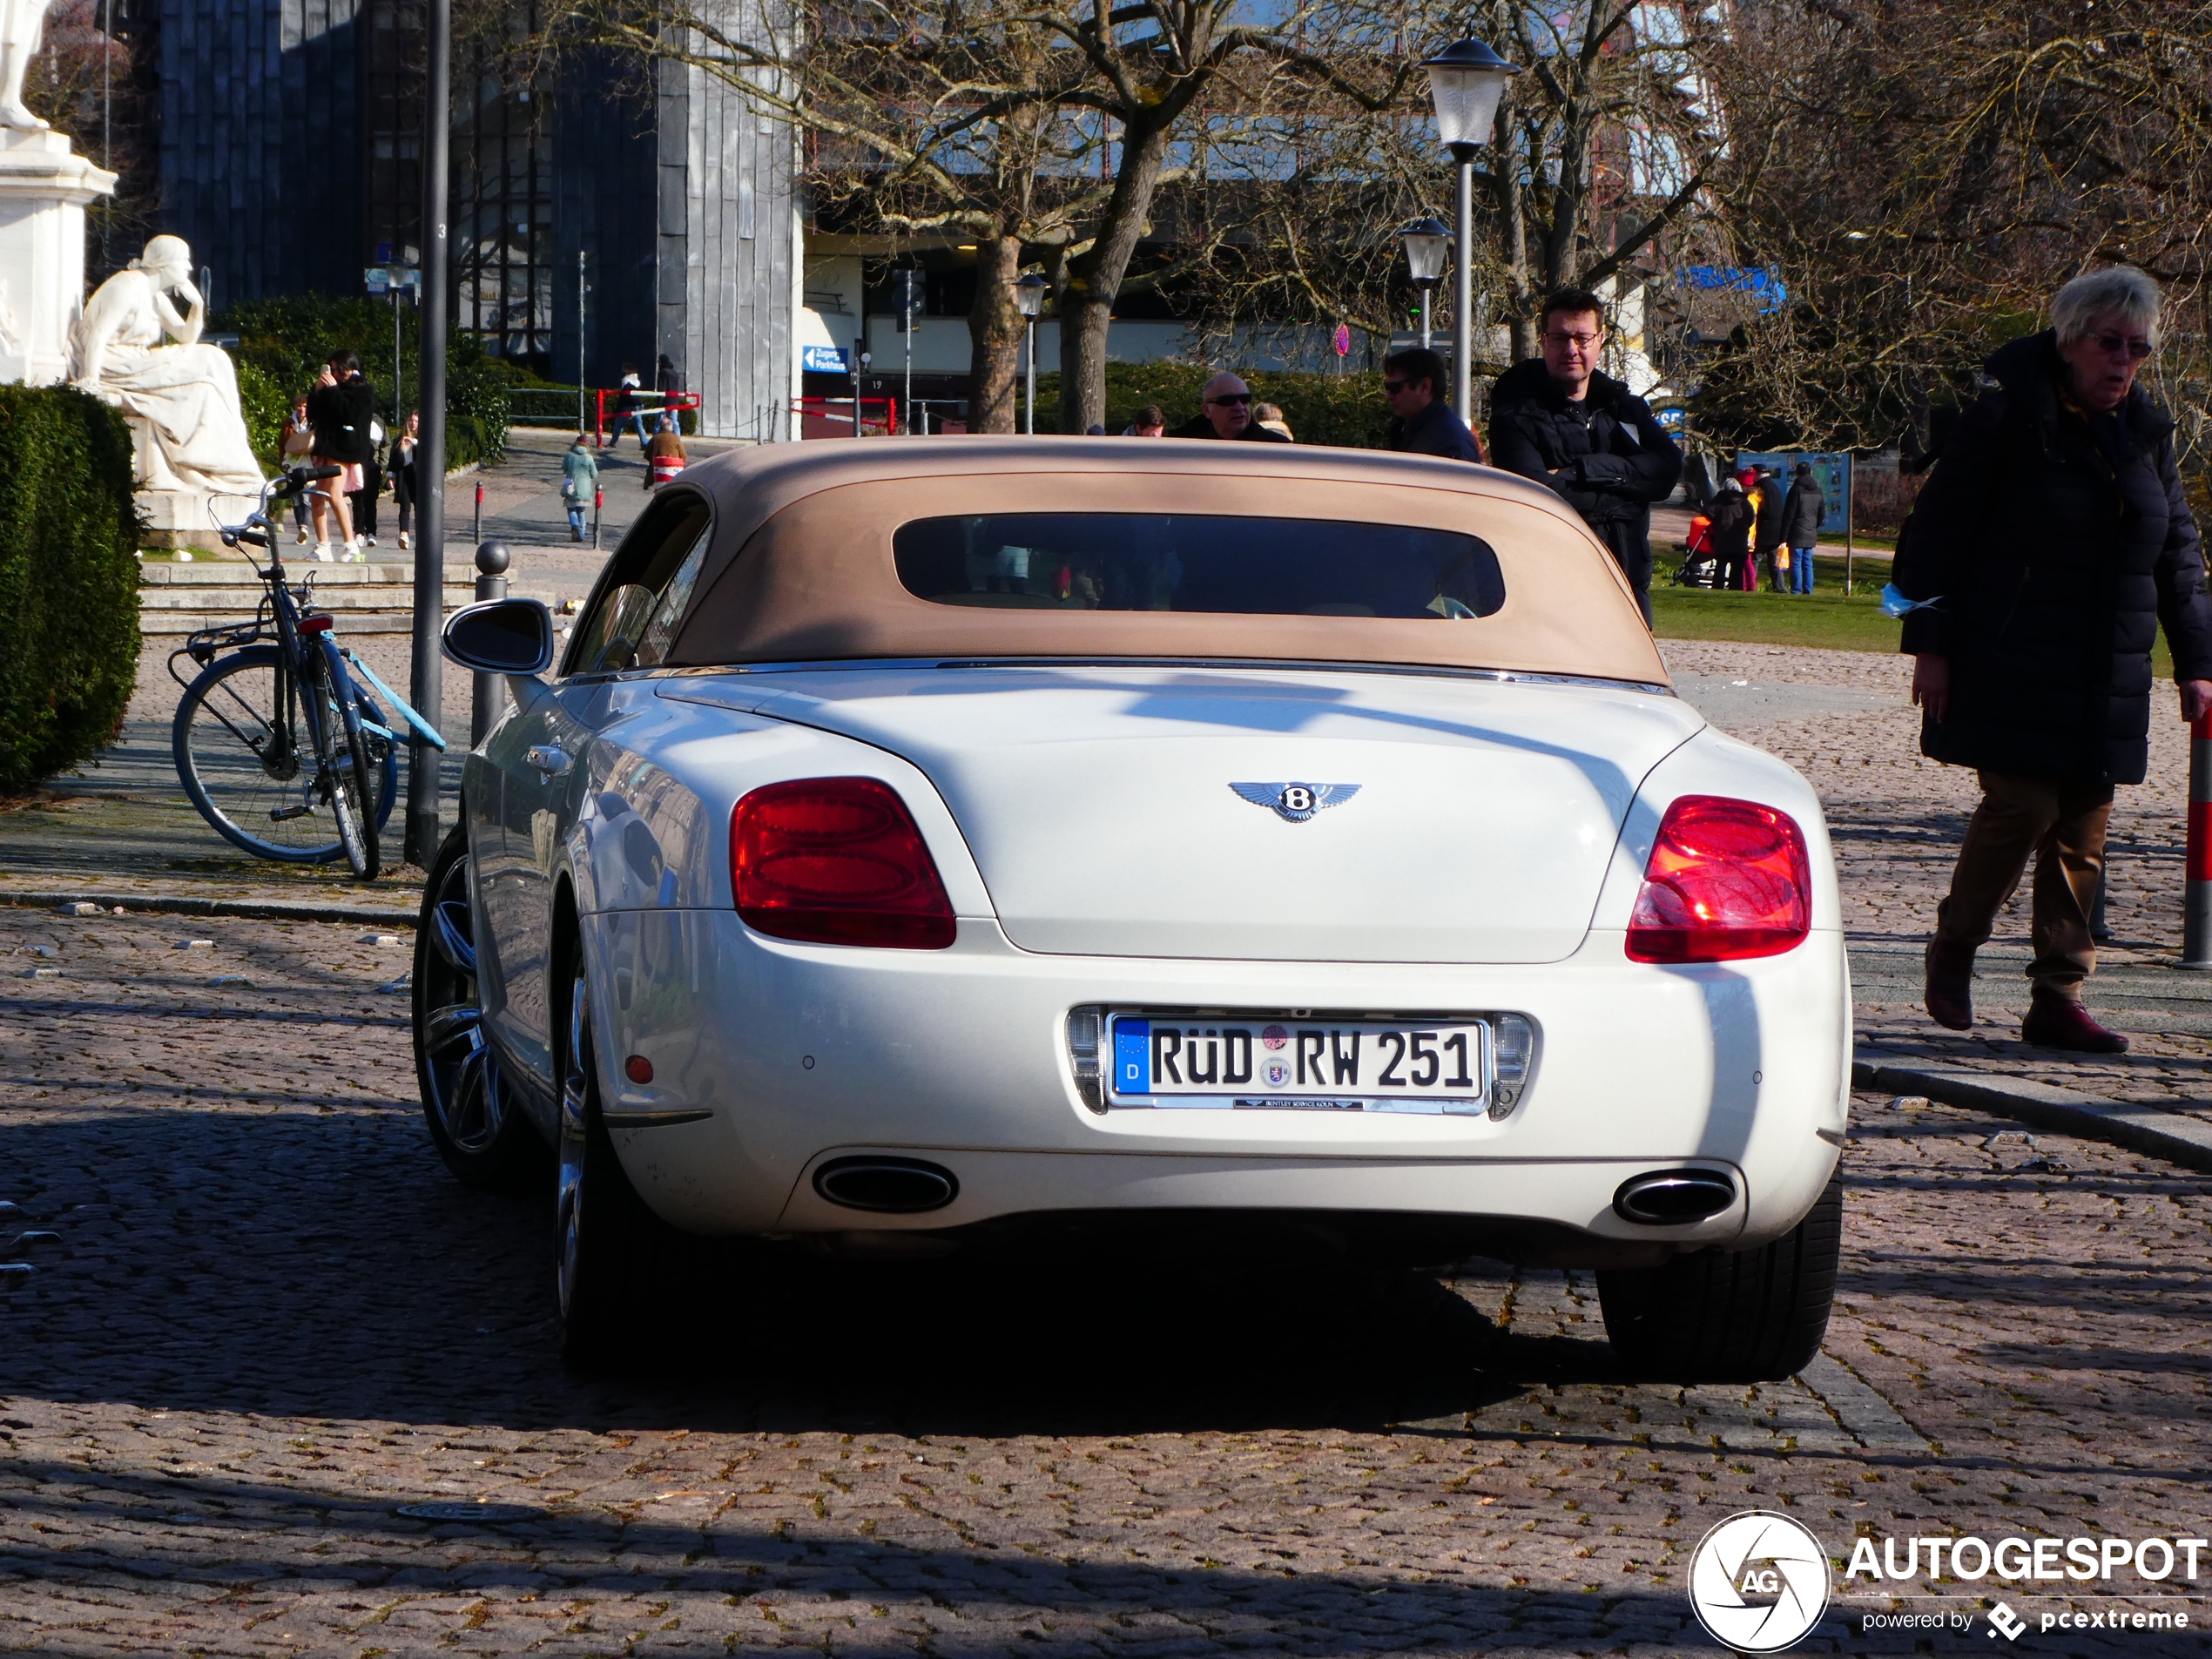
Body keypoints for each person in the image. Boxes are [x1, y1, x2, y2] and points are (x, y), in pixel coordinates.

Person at [1896, 266, 2212, 1053]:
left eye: (2138, 349)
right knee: (2024, 805)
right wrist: (1929, 645)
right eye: (2110, 344)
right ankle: (1955, 945)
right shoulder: (2007, 417)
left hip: (2104, 668)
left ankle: (2058, 995)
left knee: (2082, 828)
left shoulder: (2146, 434)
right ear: (2071, 340)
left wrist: (2198, 660)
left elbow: (2178, 555)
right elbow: (1934, 535)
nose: (2123, 362)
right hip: (2007, 655)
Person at [1488, 287, 1682, 622]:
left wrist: (1581, 472)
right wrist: (1630, 494)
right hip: (1550, 596)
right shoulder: (1515, 415)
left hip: (1627, 592)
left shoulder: (1624, 407)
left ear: (1601, 340)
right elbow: (1537, 496)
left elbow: (1667, 469)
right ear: (1543, 340)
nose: (1571, 349)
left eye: (1582, 338)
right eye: (1560, 338)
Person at [306, 349, 374, 562]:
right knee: (317, 496)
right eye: (332, 368)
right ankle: (323, 545)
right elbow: (312, 415)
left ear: (351, 369)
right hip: (326, 447)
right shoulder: (328, 390)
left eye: (339, 369)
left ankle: (351, 544)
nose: (335, 373)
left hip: (345, 449)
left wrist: (333, 390)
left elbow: (349, 413)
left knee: (335, 494)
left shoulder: (362, 390)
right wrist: (316, 392)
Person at [1379, 346, 1483, 463]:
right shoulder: (1408, 428)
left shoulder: (1450, 442)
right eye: (1387, 388)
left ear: (1425, 386)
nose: (1388, 396)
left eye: (1395, 388)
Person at [1169, 373, 1291, 442]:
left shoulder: (1276, 448)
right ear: (1207, 410)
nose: (1239, 407)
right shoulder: (1181, 444)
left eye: (1244, 399)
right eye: (1228, 401)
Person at [1778, 461, 1824, 595]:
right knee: (1807, 562)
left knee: (1797, 562)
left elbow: (1789, 514)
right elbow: (1822, 513)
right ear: (1810, 473)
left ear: (1797, 473)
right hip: (1810, 530)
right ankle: (1808, 590)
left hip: (1796, 531)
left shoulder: (1796, 489)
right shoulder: (1818, 490)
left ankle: (1796, 589)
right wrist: (1813, 526)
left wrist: (1784, 536)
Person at [1705, 472, 1756, 593]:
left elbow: (1708, 511)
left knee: (1721, 565)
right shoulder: (1744, 501)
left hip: (1723, 537)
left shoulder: (1719, 499)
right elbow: (1751, 517)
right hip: (1740, 538)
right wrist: (1744, 527)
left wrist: (1718, 522)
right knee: (1737, 568)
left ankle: (1717, 588)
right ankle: (1736, 589)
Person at [280, 397, 314, 543]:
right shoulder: (288, 424)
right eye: (299, 406)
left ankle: (304, 527)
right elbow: (282, 444)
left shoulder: (313, 424)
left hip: (307, 462)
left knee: (305, 495)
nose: (302, 409)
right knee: (296, 496)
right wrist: (282, 462)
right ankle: (301, 528)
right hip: (292, 462)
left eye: (305, 406)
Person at [350, 415, 385, 548]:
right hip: (356, 466)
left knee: (370, 502)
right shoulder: (353, 419)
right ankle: (359, 532)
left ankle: (371, 532)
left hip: (372, 467)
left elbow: (384, 443)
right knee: (357, 502)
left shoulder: (376, 421)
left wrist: (382, 465)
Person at [389, 410, 419, 551]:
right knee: (405, 505)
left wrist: (415, 443)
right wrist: (390, 476)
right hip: (404, 474)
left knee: (421, 507)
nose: (413, 424)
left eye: (416, 421)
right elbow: (393, 459)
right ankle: (404, 535)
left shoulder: (423, 438)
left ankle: (421, 536)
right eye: (411, 420)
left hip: (419, 476)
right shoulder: (400, 439)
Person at [1751, 464, 1785, 590]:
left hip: (1764, 531)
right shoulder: (1775, 488)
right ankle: (1780, 587)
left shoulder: (1761, 489)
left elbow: (1765, 510)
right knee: (1774, 563)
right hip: (1776, 532)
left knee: (1755, 560)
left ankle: (1751, 584)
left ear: (1759, 474)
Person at [563, 432, 599, 541]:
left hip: (570, 485)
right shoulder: (589, 458)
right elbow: (594, 474)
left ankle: (574, 524)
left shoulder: (569, 455)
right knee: (581, 510)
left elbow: (564, 468)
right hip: (584, 487)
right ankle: (581, 534)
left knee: (571, 508)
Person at [605, 361, 649, 449]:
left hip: (629, 405)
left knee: (619, 424)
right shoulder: (637, 381)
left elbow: (623, 395)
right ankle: (645, 443)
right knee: (639, 425)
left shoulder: (625, 380)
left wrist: (618, 409)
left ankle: (613, 442)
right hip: (639, 404)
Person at [644, 414, 688, 489]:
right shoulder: (676, 438)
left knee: (651, 465)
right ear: (671, 427)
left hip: (658, 468)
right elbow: (684, 456)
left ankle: (647, 484)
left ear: (660, 427)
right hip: (674, 469)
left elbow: (647, 455)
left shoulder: (655, 438)